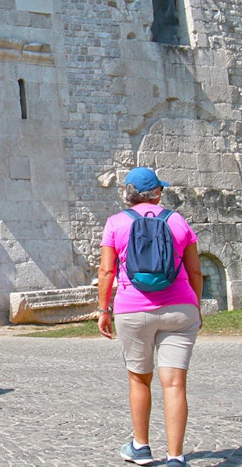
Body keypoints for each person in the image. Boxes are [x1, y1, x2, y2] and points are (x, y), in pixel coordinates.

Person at [98, 167, 202, 467]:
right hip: (180, 309)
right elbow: (195, 270)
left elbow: (107, 271)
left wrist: (103, 309)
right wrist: (194, 305)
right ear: (156, 193)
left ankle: (141, 447)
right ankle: (175, 457)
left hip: (132, 310)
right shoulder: (177, 221)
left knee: (139, 379)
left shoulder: (116, 223)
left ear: (129, 194)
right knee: (175, 384)